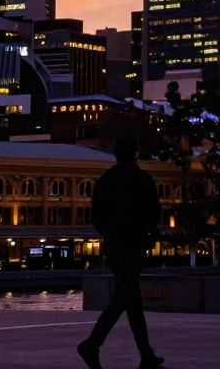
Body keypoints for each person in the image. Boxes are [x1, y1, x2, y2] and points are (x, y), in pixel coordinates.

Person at [77, 136, 164, 369]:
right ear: (135, 153)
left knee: (132, 300)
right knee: (124, 297)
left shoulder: (105, 180)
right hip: (134, 244)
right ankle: (92, 344)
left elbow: (96, 216)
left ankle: (146, 353)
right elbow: (154, 212)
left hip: (114, 246)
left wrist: (109, 235)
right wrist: (149, 231)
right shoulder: (141, 178)